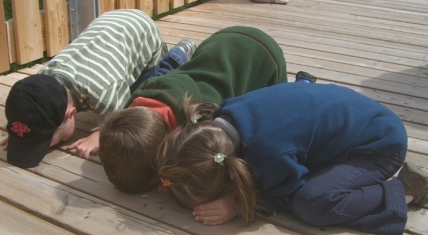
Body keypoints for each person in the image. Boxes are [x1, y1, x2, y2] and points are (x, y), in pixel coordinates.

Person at [157, 83, 428, 235]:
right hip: (361, 119)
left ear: (231, 174)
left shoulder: (269, 156)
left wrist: (238, 202)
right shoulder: (224, 116)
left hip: (379, 146)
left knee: (311, 203)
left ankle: (403, 190)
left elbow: (287, 192)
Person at [98, 26, 289, 194]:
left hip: (266, 62)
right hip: (219, 40)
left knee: (273, 116)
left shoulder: (203, 122)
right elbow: (126, 128)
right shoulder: (141, 97)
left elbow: (220, 162)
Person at [2, 9, 195, 168]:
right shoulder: (43, 78)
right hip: (109, 23)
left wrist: (101, 133)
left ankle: (177, 55)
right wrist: (22, 136)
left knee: (146, 89)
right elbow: (30, 106)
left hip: (142, 33)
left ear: (71, 113)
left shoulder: (104, 92)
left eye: (45, 140)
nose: (41, 145)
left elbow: (131, 118)